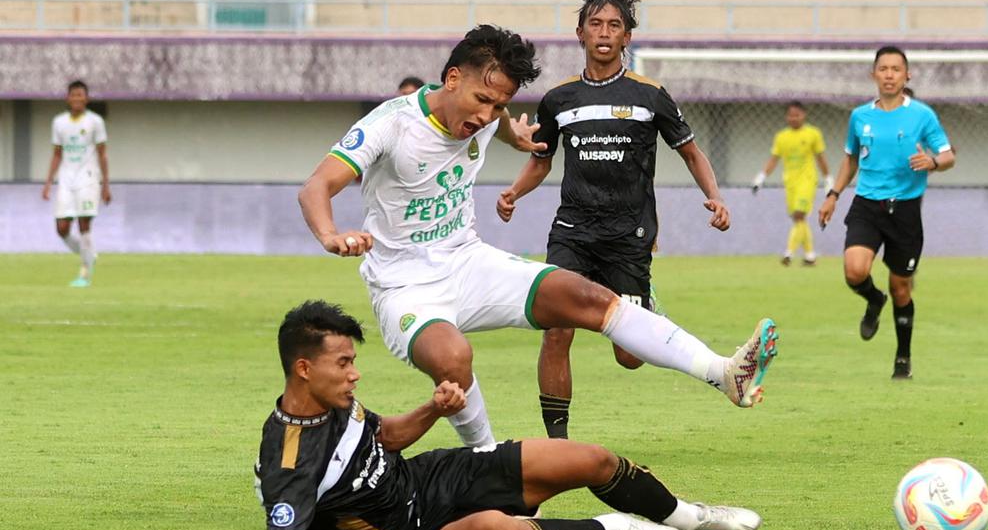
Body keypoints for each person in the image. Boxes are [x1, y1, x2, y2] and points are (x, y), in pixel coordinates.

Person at [299, 25, 777, 451]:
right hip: (405, 285)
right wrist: (330, 234)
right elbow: (316, 187)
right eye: (482, 101)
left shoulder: (487, 115)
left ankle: (723, 373)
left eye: (500, 105)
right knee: (454, 357)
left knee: (592, 298)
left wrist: (517, 137)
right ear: (452, 80)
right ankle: (488, 461)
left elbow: (498, 122)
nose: (487, 115)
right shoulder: (392, 124)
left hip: (469, 263)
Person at [256, 300, 762, 530]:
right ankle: (616, 529)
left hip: (433, 474)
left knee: (586, 459)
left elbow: (383, 437)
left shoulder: (337, 403)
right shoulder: (289, 458)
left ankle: (688, 517)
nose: (354, 374)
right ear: (304, 368)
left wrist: (433, 409)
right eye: (343, 363)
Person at [495, 0, 736, 439]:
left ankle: (648, 309)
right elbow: (541, 160)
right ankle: (558, 442)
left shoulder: (651, 95)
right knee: (556, 328)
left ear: (627, 37)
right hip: (573, 230)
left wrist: (716, 197)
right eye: (595, 24)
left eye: (615, 25)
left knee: (629, 356)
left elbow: (691, 152)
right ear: (580, 34)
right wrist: (513, 193)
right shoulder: (559, 100)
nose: (604, 32)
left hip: (630, 233)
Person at [818, 46, 954, 380]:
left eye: (896, 69)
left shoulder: (922, 115)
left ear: (907, 75)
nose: (890, 74)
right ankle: (873, 299)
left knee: (902, 289)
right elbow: (850, 159)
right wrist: (833, 194)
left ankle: (903, 357)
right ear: (874, 75)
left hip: (905, 210)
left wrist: (933, 162)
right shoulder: (859, 117)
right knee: (854, 271)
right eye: (884, 69)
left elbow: (948, 155)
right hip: (867, 205)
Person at [41, 80, 110, 287]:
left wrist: (105, 184)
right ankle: (89, 253)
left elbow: (102, 154)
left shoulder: (95, 122)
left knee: (84, 225)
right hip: (66, 180)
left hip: (88, 179)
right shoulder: (59, 122)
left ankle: (85, 274)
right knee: (61, 228)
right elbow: (56, 154)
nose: (77, 99)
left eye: (81, 95)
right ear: (68, 98)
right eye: (74, 95)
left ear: (86, 98)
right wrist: (47, 183)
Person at [752, 101, 832, 267]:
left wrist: (828, 179)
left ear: (804, 115)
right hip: (790, 183)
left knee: (799, 215)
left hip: (807, 181)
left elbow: (821, 158)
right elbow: (774, 159)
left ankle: (789, 253)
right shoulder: (781, 137)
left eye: (797, 115)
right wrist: (760, 178)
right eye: (790, 115)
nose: (794, 118)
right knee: (799, 220)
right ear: (786, 117)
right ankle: (810, 256)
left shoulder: (813, 134)